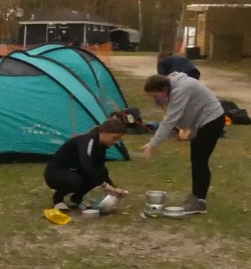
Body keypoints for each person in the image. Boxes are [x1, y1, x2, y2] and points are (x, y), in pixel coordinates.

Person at [142, 73, 226, 214]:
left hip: (212, 120)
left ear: (163, 90)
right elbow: (175, 118)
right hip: (201, 123)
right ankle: (196, 196)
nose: (155, 100)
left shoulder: (181, 89)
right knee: (196, 159)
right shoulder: (172, 87)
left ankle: (199, 202)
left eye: (155, 97)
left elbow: (171, 119)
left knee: (200, 160)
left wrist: (153, 144)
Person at [44, 117, 129, 211]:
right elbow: (86, 165)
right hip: (55, 172)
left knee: (99, 173)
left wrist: (113, 189)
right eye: (114, 138)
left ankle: (76, 199)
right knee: (78, 180)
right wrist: (106, 186)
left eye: (118, 139)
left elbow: (101, 168)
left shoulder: (102, 146)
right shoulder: (87, 141)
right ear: (104, 132)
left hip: (74, 171)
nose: (115, 142)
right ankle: (58, 198)